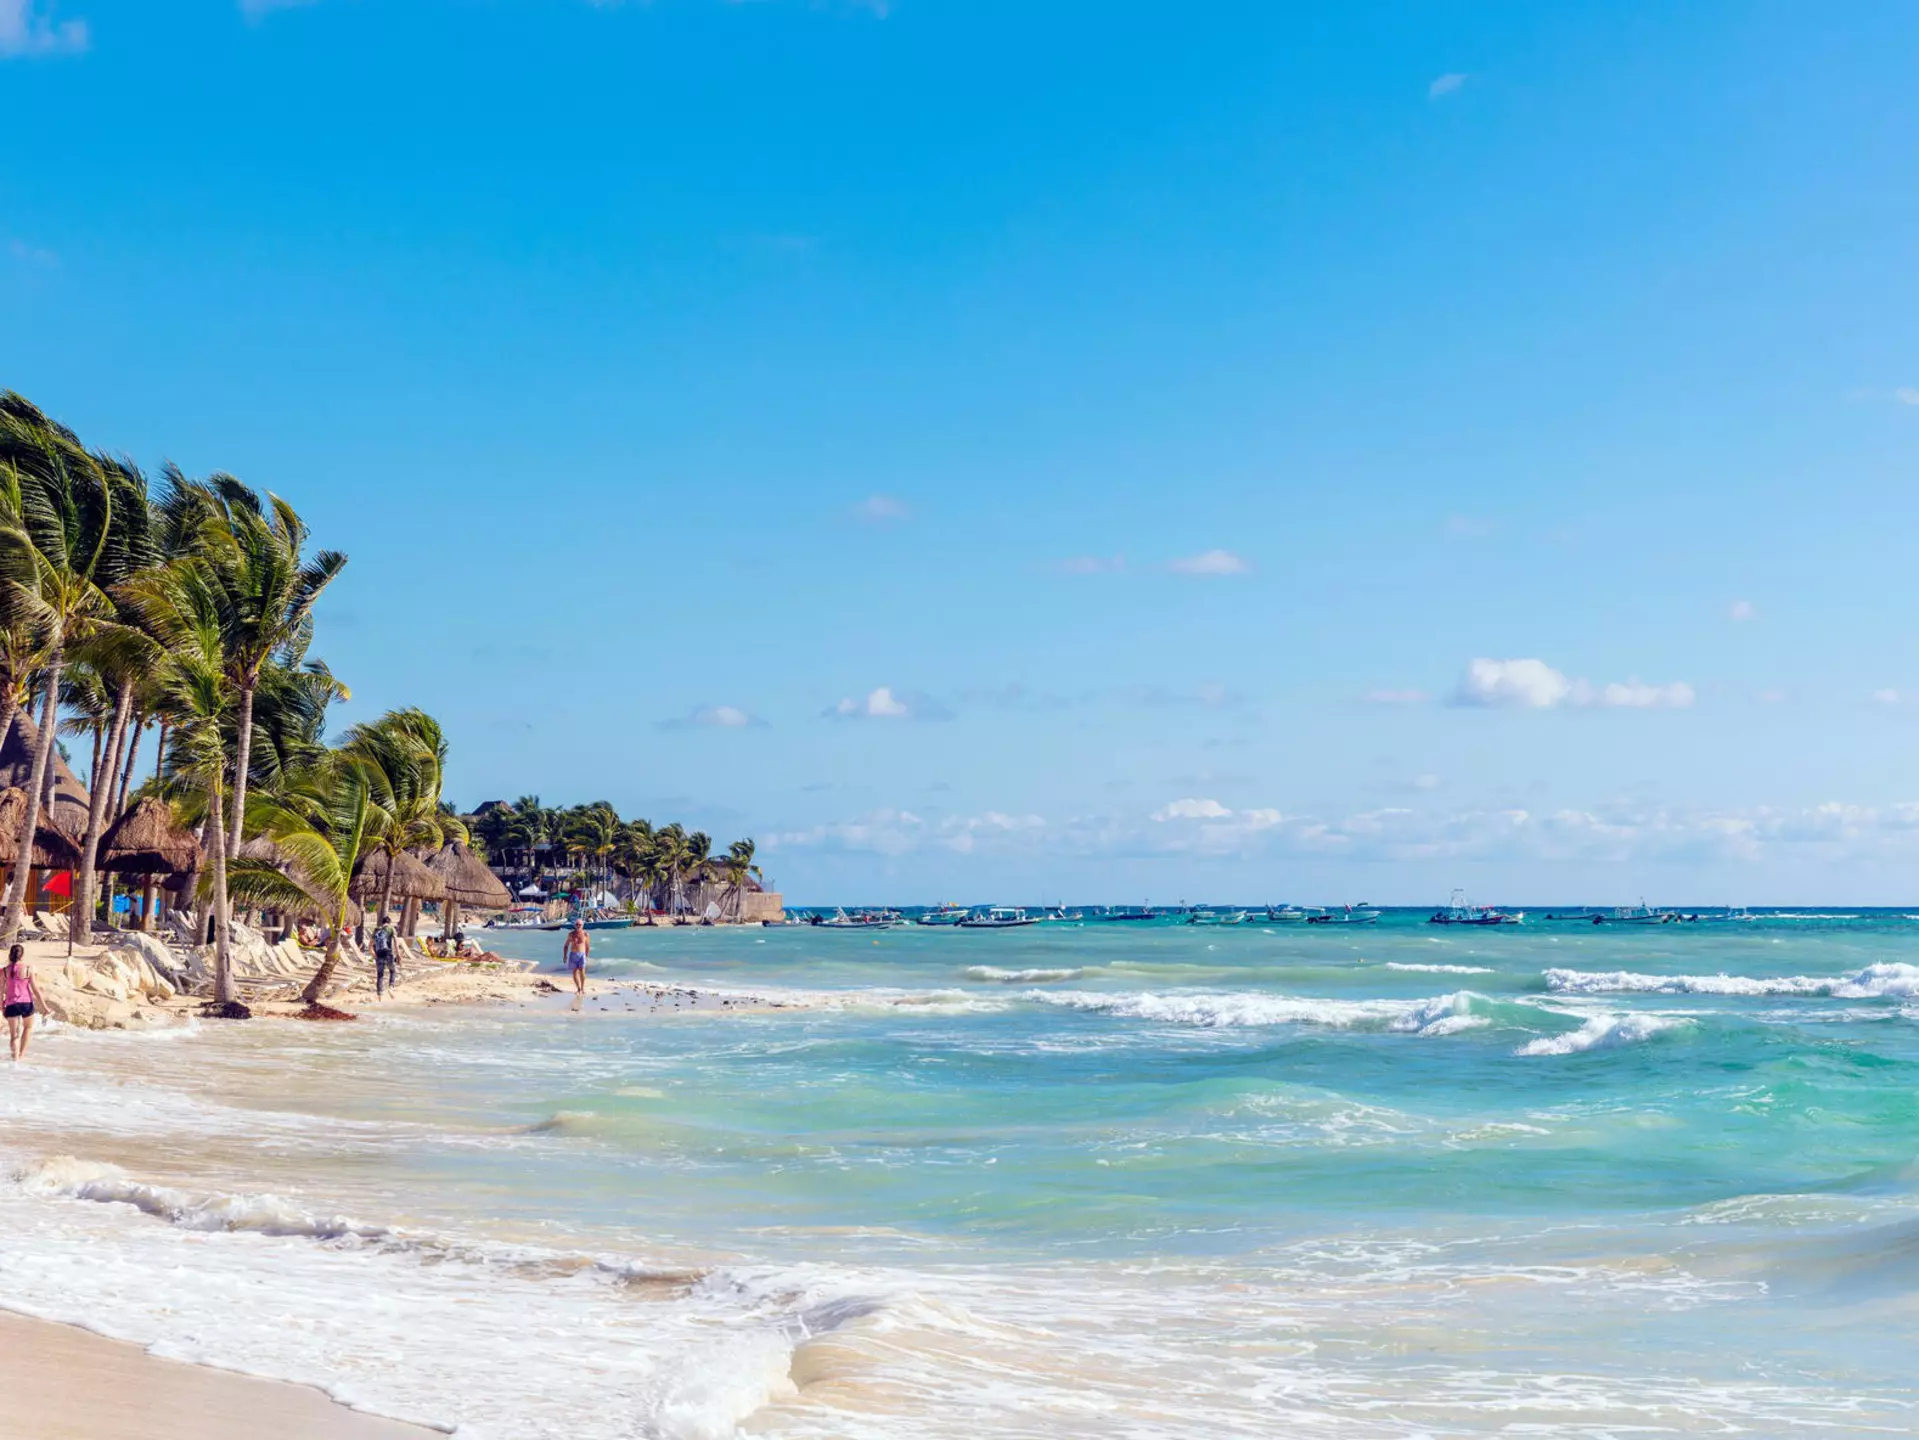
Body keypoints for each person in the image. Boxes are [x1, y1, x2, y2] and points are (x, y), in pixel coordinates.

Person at [5, 943, 37, 1062]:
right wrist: (45, 1007)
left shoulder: (4, 971)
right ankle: (21, 1055)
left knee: (14, 1035)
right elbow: (35, 989)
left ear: (10, 954)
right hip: (26, 1003)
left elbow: (1, 990)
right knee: (27, 1028)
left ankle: (15, 1058)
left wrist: (1, 1005)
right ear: (22, 955)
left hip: (11, 1004)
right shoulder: (28, 969)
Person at [371, 914, 398, 998]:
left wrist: (375, 956)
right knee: (393, 970)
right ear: (389, 923)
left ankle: (379, 995)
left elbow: (370, 946)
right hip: (388, 953)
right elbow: (396, 944)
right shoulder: (391, 929)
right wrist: (398, 955)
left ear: (382, 923)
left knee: (380, 975)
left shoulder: (376, 930)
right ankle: (391, 987)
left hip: (379, 954)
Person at [562, 919, 589, 994]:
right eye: (577, 924)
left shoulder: (586, 934)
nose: (578, 926)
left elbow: (587, 946)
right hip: (573, 954)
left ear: (582, 926)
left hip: (582, 955)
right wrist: (565, 956)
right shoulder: (571, 934)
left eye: (579, 925)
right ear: (575, 925)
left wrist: (586, 956)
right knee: (574, 972)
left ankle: (583, 988)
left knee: (582, 972)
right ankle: (578, 988)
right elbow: (566, 946)